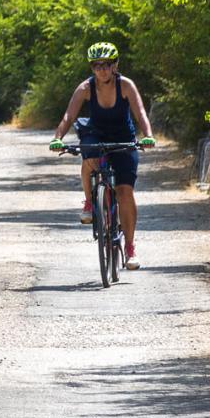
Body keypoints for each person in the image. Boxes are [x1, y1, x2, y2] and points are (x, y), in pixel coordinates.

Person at [49, 41, 156, 267]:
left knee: (125, 191)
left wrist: (147, 135)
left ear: (115, 65)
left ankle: (129, 247)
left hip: (123, 138)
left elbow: (141, 112)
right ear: (91, 68)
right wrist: (58, 138)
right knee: (89, 155)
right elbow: (69, 116)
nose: (102, 70)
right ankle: (89, 203)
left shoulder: (126, 86)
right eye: (97, 66)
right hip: (96, 134)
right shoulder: (85, 89)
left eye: (106, 65)